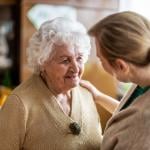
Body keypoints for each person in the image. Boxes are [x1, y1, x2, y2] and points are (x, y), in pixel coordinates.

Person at [0, 17, 102, 150]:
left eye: (79, 58)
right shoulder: (19, 103)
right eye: (65, 60)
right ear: (42, 62)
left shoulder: (87, 94)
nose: (76, 69)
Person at [80, 11, 150, 150]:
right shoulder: (142, 80)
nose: (99, 64)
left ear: (120, 65)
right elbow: (128, 115)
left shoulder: (144, 122)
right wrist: (98, 96)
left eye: (101, 59)